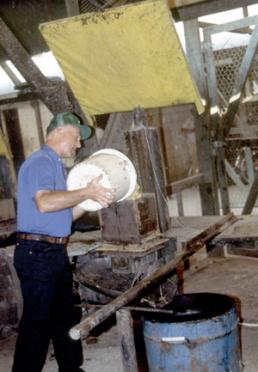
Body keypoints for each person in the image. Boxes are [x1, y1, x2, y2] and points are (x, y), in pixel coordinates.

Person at [12, 111, 114, 372]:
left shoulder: (55, 165)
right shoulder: (41, 161)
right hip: (37, 252)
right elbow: (44, 203)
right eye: (77, 137)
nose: (79, 144)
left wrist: (92, 200)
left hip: (54, 252)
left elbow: (65, 217)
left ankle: (71, 369)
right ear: (59, 132)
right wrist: (85, 191)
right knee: (37, 323)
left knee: (66, 317)